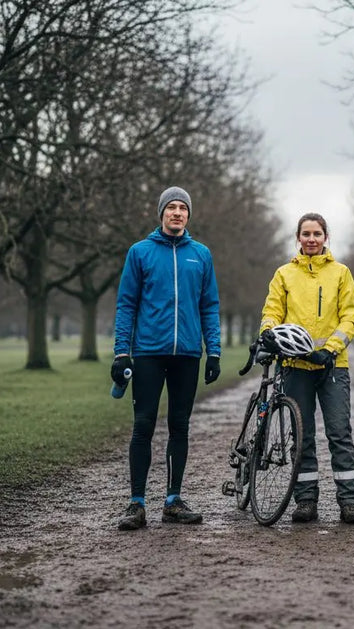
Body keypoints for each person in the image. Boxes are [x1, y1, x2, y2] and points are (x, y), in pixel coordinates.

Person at [111, 186, 222, 531]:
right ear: (161, 214)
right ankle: (137, 504)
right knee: (143, 425)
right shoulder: (139, 252)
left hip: (187, 354)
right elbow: (126, 303)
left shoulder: (201, 254)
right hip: (147, 353)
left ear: (189, 215)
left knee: (180, 425)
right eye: (171, 207)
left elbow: (209, 305)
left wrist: (213, 351)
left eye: (182, 208)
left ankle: (173, 501)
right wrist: (121, 351)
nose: (177, 213)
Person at [259, 213, 354, 524]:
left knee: (339, 433)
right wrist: (267, 330)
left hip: (332, 366)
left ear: (325, 237)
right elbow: (272, 309)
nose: (311, 239)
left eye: (317, 233)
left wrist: (330, 350)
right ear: (298, 238)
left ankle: (349, 502)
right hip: (295, 366)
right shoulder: (284, 274)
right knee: (301, 435)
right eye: (306, 233)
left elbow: (351, 317)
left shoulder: (341, 273)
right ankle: (305, 501)